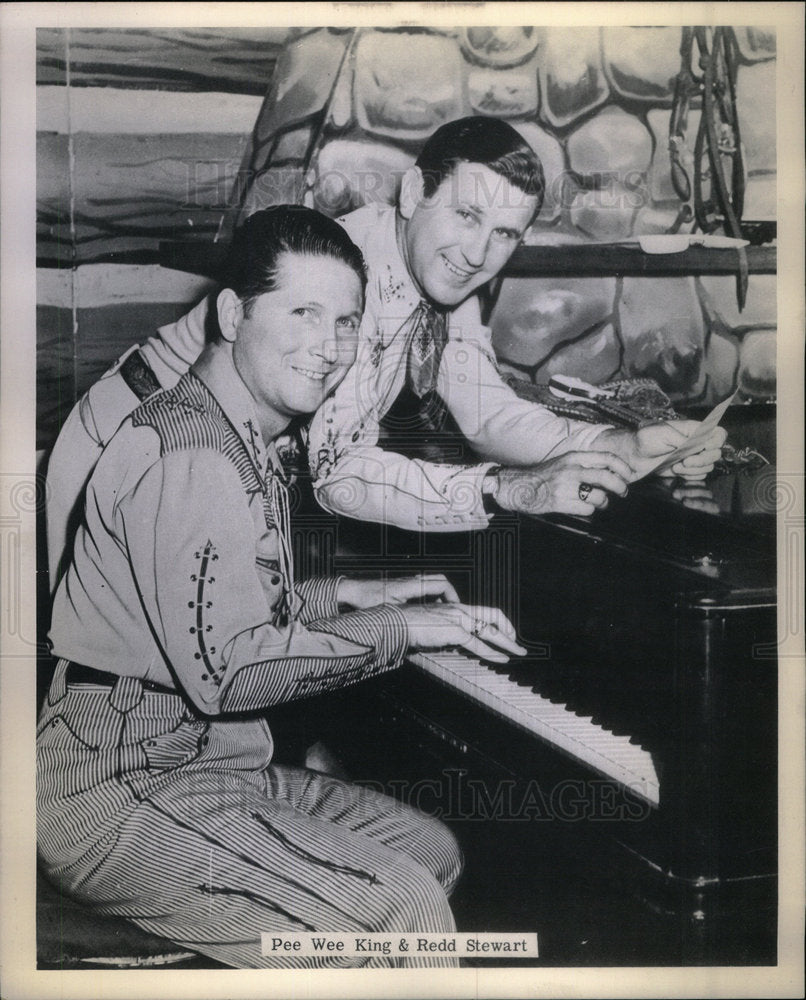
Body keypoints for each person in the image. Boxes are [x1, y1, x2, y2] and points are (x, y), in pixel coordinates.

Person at [40, 206, 525, 969]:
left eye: (345, 323)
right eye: (303, 313)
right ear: (233, 314)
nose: (329, 349)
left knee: (427, 849)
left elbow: (221, 608)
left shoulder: (240, 432)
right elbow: (233, 671)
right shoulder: (193, 453)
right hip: (117, 792)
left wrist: (362, 597)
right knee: (403, 908)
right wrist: (407, 630)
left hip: (205, 765)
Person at [45, 116, 725, 588]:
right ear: (413, 193)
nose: (478, 255)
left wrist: (625, 445)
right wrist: (503, 490)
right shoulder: (352, 278)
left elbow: (488, 414)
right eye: (466, 216)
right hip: (126, 443)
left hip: (213, 464)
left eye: (505, 234)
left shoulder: (441, 281)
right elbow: (341, 477)